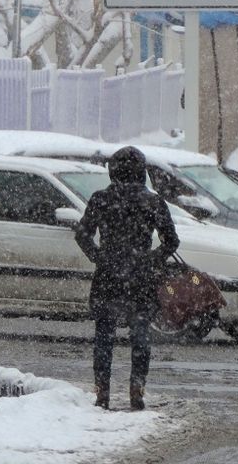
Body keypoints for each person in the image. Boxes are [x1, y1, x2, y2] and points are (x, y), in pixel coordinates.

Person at [75, 146, 179, 411]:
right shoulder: (153, 202)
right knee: (140, 336)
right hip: (140, 277)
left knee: (103, 337)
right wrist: (149, 259)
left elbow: (82, 235)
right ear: (141, 171)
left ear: (113, 171)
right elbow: (171, 242)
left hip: (108, 275)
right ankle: (137, 389)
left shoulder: (100, 199)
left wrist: (99, 257)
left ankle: (102, 392)